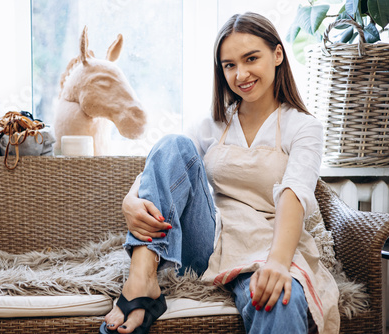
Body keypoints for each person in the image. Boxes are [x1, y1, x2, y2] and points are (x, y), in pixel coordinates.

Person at [100, 12, 340, 334]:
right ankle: (141, 280)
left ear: (278, 54)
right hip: (207, 241)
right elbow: (167, 165)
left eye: (251, 58)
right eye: (229, 65)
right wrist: (131, 200)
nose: (241, 74)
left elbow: (294, 193)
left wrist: (278, 262)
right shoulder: (212, 124)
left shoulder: (303, 127)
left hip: (267, 241)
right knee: (174, 143)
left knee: (282, 299)